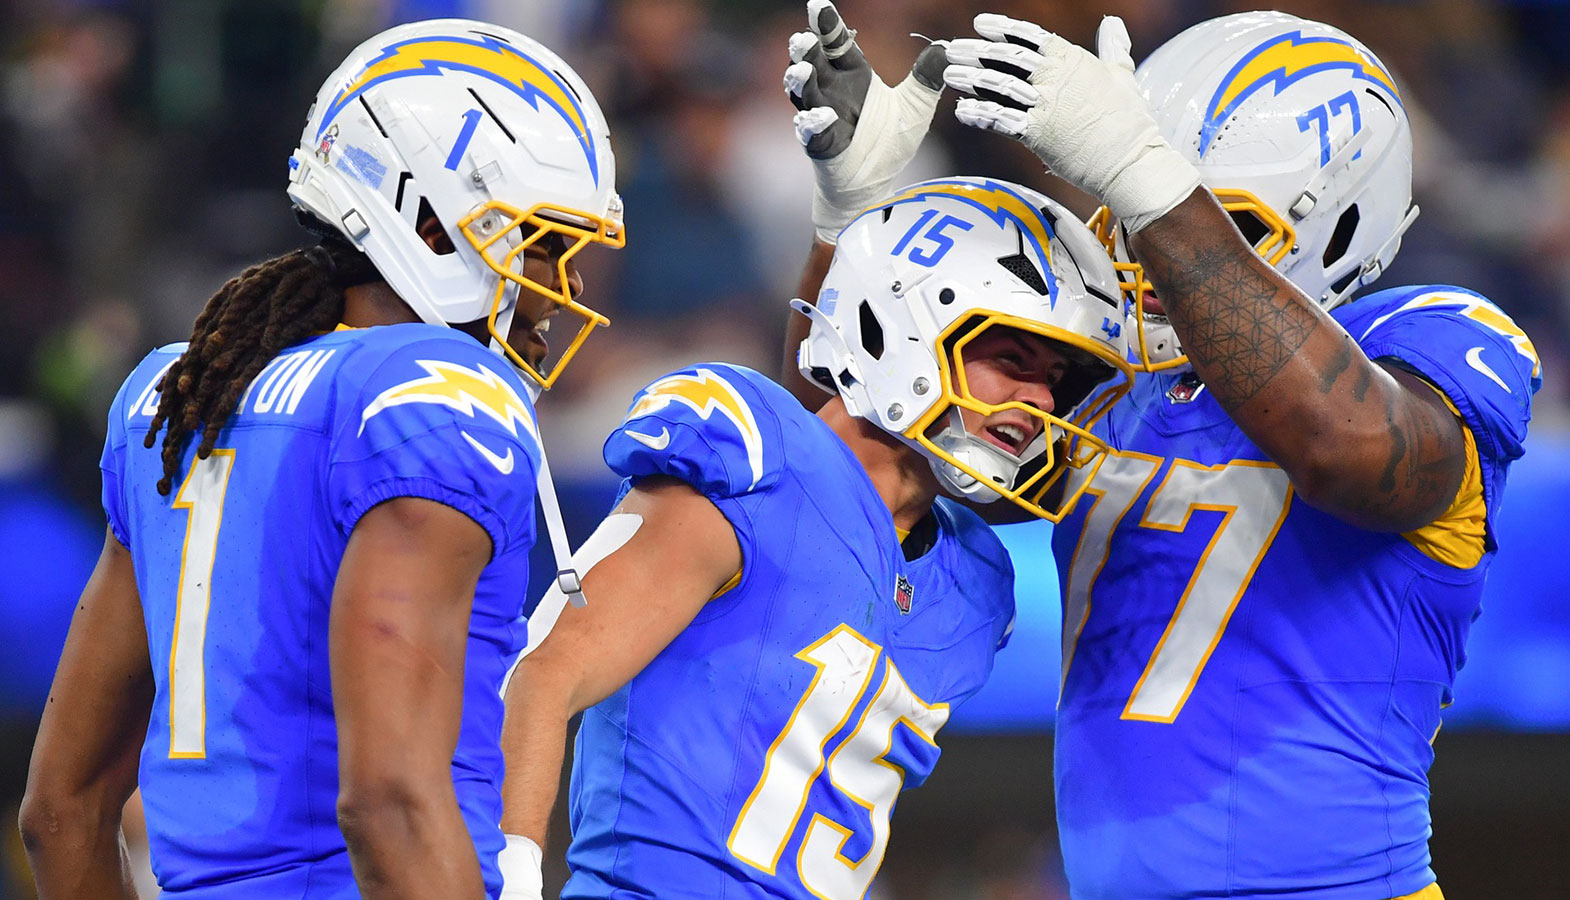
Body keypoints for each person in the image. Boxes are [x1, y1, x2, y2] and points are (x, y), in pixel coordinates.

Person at [937, 10, 1543, 900]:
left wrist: (1152, 182)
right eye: (1134, 219)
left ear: (1339, 232)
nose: (1156, 259)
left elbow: (1350, 449)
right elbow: (863, 460)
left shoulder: (1427, 339)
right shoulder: (1112, 380)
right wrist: (844, 221)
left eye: (1205, 225)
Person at [18, 18, 623, 900]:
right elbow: (388, 805)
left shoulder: (172, 393)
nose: (559, 289)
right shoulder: (433, 395)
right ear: (427, 214)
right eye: (540, 242)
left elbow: (59, 810)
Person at [497, 169, 1137, 898]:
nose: (1039, 399)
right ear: (906, 330)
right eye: (1012, 360)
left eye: (1054, 375)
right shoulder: (751, 458)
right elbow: (542, 674)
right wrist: (511, 873)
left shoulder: (974, 582)